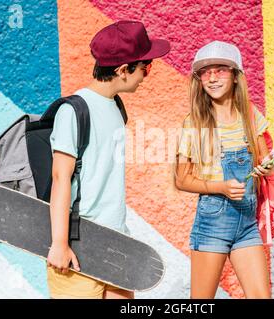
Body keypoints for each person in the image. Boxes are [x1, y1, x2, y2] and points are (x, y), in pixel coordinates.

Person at [46, 20, 170, 299]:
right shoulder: (74, 110)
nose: (146, 75)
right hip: (78, 245)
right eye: (145, 68)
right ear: (123, 70)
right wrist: (59, 243)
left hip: (117, 241)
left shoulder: (116, 106)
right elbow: (60, 177)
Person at [175, 40, 274, 299]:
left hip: (247, 223)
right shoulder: (195, 123)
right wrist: (220, 187)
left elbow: (264, 157)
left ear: (235, 76)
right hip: (212, 223)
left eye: (220, 69)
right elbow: (181, 179)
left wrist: (265, 167)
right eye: (205, 72)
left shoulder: (250, 115)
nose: (212, 77)